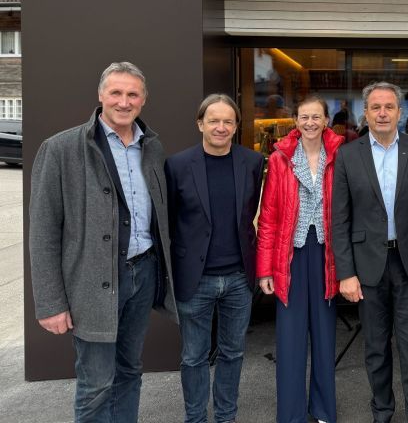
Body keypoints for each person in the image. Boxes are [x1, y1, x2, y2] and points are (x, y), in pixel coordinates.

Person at [29, 61, 177, 422]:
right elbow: (43, 231)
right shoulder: (61, 149)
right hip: (93, 284)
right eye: (116, 92)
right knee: (95, 383)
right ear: (100, 95)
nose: (124, 102)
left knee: (130, 370)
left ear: (143, 100)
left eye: (132, 94)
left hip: (143, 274)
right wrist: (50, 303)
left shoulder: (152, 147)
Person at [332, 81, 408, 423]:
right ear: (365, 114)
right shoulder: (348, 155)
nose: (382, 113)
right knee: (376, 347)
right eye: (375, 107)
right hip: (367, 266)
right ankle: (382, 412)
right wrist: (346, 273)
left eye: (389, 107)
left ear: (400, 112)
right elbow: (340, 219)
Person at [165, 94, 265, 423]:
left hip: (239, 277)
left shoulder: (252, 162)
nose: (220, 127)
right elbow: (171, 221)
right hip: (195, 278)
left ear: (236, 127)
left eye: (227, 121)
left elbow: (250, 214)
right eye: (213, 121)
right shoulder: (177, 165)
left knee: (233, 354)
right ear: (200, 124)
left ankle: (226, 417)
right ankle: (195, 418)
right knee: (194, 356)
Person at [257, 96, 344, 423]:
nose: (310, 123)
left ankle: (323, 410)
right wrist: (265, 269)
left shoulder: (339, 155)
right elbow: (268, 218)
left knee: (324, 335)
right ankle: (291, 414)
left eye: (316, 117)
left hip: (326, 254)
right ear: (295, 120)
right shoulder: (280, 158)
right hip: (289, 255)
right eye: (304, 117)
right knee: (290, 339)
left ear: (326, 120)